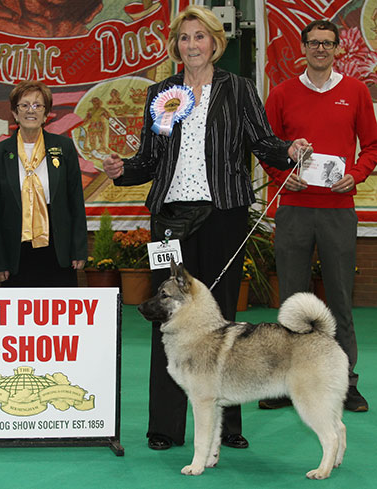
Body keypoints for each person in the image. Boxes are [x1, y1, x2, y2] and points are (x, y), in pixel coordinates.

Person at [103, 5, 311, 451]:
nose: (191, 44)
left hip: (223, 215)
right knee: (168, 316)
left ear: (215, 42)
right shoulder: (162, 93)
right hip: (169, 220)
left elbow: (262, 141)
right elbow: (149, 159)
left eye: (199, 37)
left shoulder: (238, 89)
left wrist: (289, 150)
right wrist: (122, 169)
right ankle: (164, 427)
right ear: (176, 45)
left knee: (219, 319)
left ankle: (228, 426)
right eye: (184, 38)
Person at [260, 19, 377, 412]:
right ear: (304, 47)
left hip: (338, 211)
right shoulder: (281, 93)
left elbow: (373, 147)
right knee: (292, 299)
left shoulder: (356, 92)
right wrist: (281, 176)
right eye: (314, 43)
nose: (321, 50)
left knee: (340, 299)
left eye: (328, 44)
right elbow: (266, 147)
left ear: (338, 49)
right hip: (293, 209)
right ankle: (281, 383)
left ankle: (345, 382)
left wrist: (356, 175)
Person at [0, 80, 87, 287]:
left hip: (58, 248)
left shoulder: (64, 147)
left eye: (37, 105)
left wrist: (79, 250)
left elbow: (75, 202)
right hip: (15, 251)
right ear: (15, 113)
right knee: (18, 314)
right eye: (24, 105)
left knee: (60, 313)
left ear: (46, 113)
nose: (30, 110)